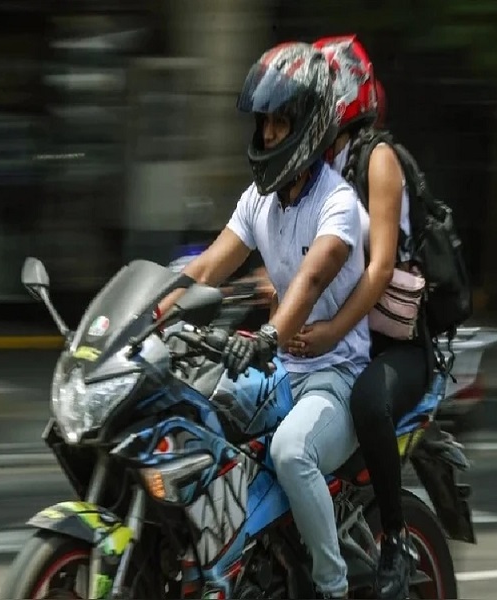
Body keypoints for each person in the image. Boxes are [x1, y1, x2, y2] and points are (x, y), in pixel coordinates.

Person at [159, 41, 370, 599]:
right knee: (191, 415)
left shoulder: (339, 203)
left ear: (310, 125)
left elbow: (313, 277)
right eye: (266, 122)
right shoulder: (260, 199)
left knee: (290, 452)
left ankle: (332, 585)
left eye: (283, 122)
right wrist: (151, 311)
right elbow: (209, 264)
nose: (271, 134)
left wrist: (270, 335)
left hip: (336, 379)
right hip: (279, 371)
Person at [284, 34, 433, 599]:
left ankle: (394, 538)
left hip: (395, 342)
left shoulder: (379, 160)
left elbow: (379, 268)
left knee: (369, 401)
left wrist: (326, 335)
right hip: (349, 336)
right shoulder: (316, 166)